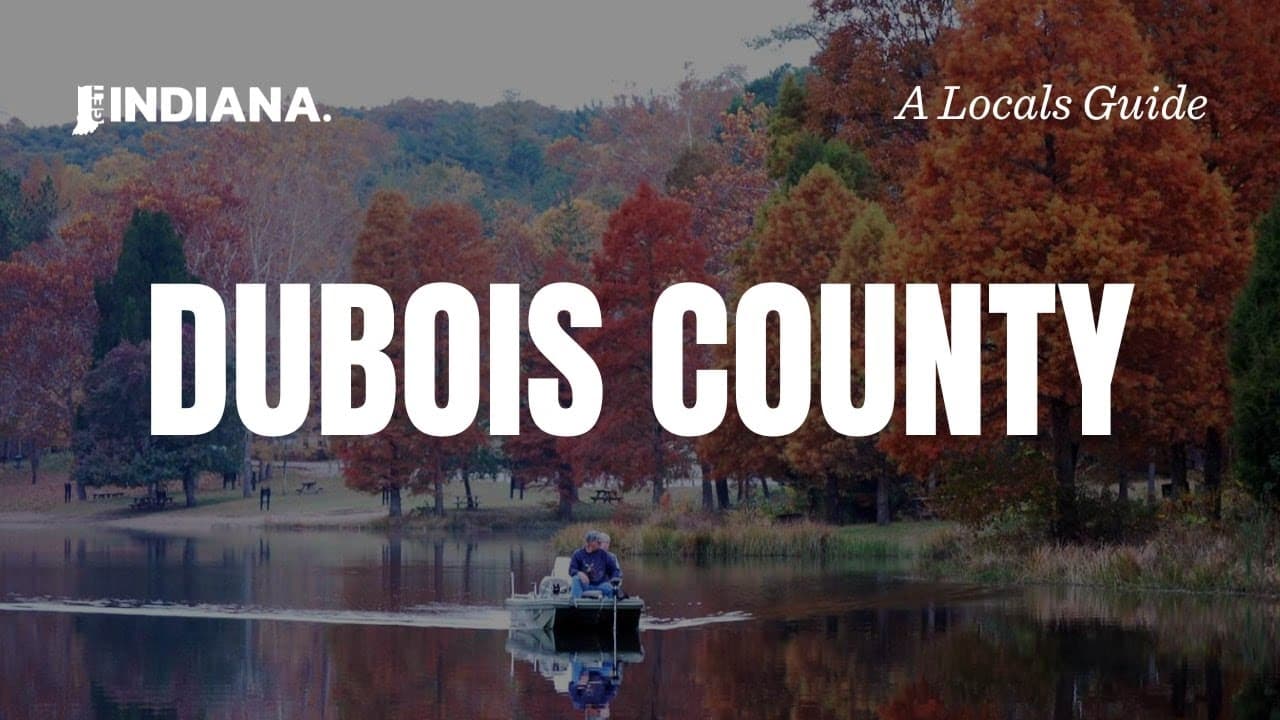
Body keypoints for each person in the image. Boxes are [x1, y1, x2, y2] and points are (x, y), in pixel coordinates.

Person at [569, 530, 621, 599]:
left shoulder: (604, 554)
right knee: (576, 579)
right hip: (585, 585)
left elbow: (614, 570)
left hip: (601, 585)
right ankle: (576, 602)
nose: (600, 543)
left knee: (610, 589)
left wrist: (614, 578)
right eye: (598, 542)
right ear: (590, 542)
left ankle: (611, 604)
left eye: (600, 542)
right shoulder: (578, 554)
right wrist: (579, 573)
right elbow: (571, 570)